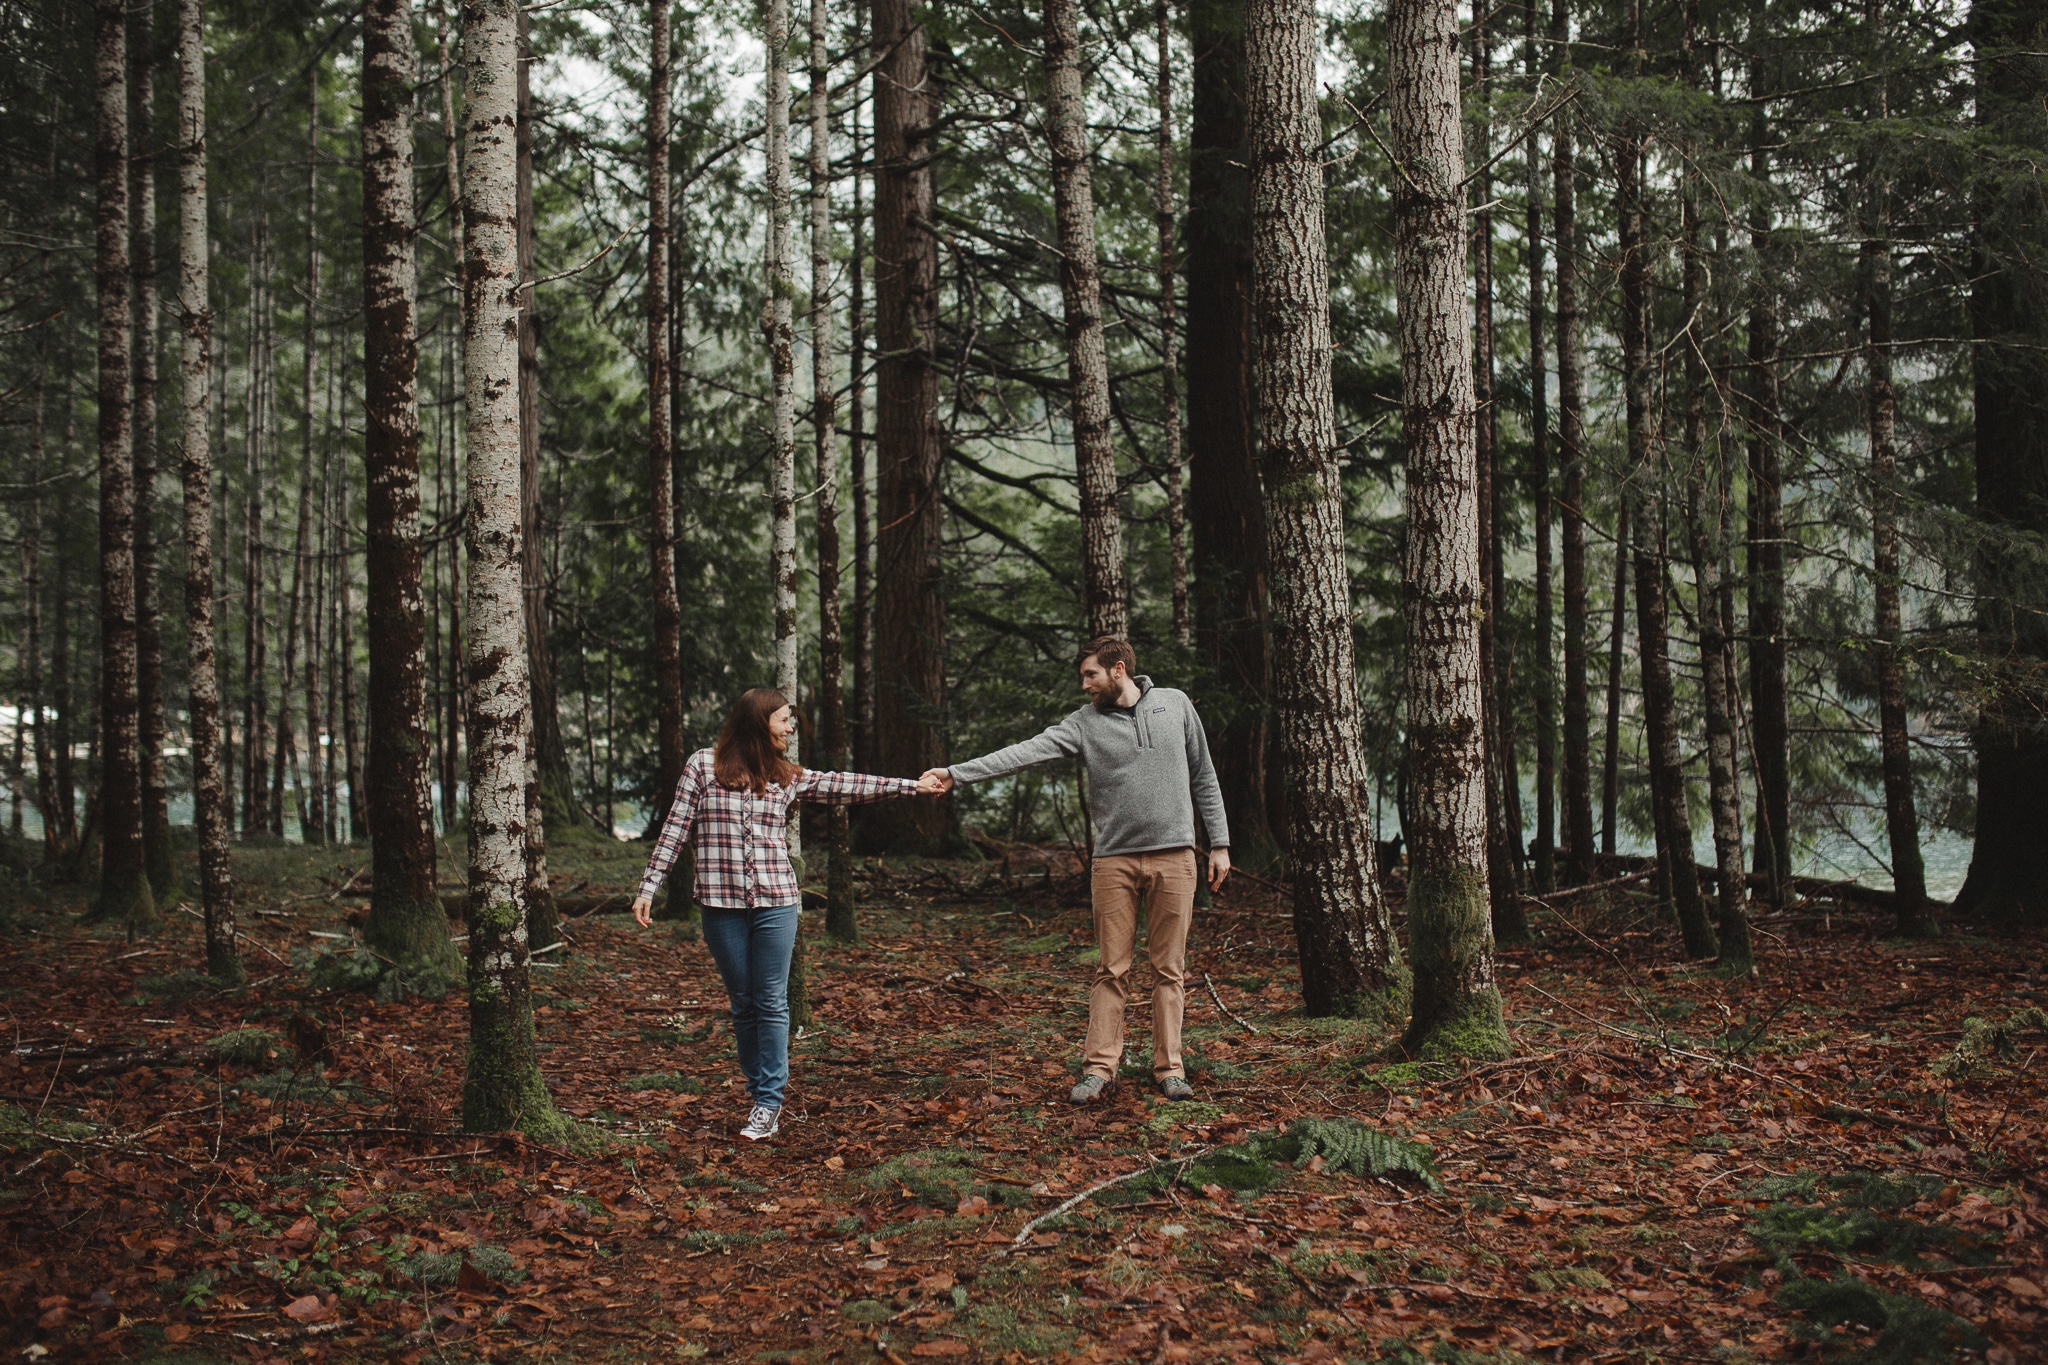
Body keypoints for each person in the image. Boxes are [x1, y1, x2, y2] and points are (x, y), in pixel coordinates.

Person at [924, 638, 1230, 1104]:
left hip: (1176, 858)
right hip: (1114, 863)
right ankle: (1099, 1068)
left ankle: (1170, 1069)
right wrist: (956, 772)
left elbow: (1204, 774)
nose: (1085, 685)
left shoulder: (1176, 704)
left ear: (1118, 670)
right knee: (1112, 969)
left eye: (1091, 675)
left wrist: (1220, 844)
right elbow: (1024, 752)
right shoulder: (1084, 724)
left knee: (1169, 969)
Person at [632, 687, 944, 1141]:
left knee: (772, 1000)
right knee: (743, 1003)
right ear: (760, 722)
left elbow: (844, 785)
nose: (790, 728)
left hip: (777, 902)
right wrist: (648, 887)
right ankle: (758, 1087)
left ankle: (768, 1102)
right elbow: (675, 829)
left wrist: (909, 786)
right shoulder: (702, 765)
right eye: (783, 720)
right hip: (720, 905)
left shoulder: (787, 775)